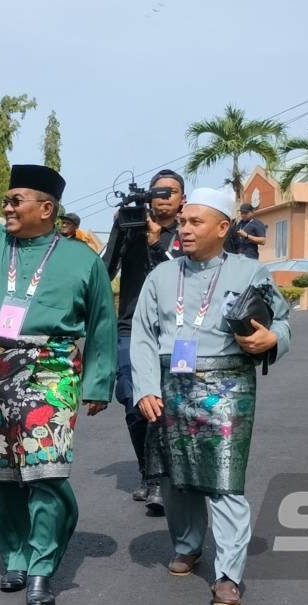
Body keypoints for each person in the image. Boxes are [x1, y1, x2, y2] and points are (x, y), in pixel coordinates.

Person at [0, 92, 117, 605]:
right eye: (7, 200)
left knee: (47, 472)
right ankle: (14, 554)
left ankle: (41, 566)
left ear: (47, 209)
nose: (7, 207)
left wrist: (99, 382)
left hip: (52, 368)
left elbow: (102, 324)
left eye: (17, 201)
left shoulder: (83, 260)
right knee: (4, 473)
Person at [130, 187, 291, 605]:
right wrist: (145, 386)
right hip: (169, 386)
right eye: (182, 221)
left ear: (224, 228)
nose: (183, 228)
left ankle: (229, 576)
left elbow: (284, 322)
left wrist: (272, 337)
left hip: (228, 385)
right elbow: (143, 336)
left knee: (224, 481)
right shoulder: (161, 276)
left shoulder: (250, 273)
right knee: (174, 476)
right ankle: (188, 544)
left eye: (195, 222)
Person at [102, 169, 186, 513]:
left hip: (178, 332)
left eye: (172, 191)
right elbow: (105, 269)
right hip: (131, 327)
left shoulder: (190, 230)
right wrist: (123, 229)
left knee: (173, 404)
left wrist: (154, 241)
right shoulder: (131, 223)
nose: (164, 196)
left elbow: (188, 275)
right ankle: (149, 473)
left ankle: (163, 478)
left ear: (183, 199)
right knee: (136, 404)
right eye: (158, 191)